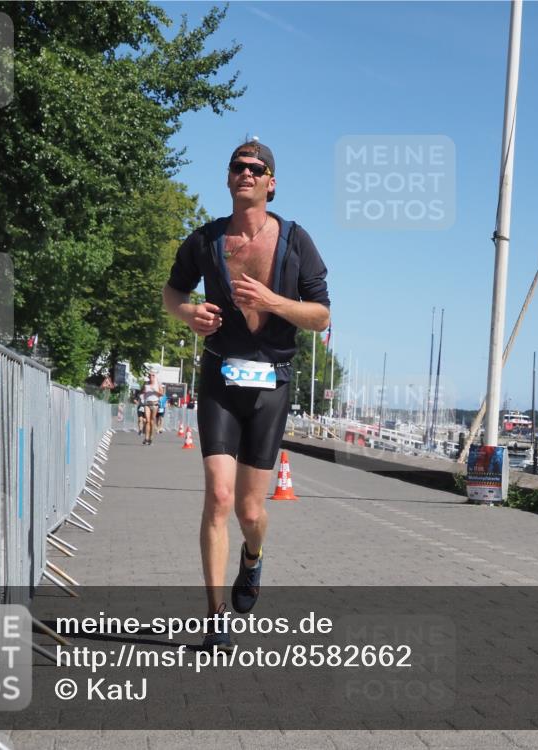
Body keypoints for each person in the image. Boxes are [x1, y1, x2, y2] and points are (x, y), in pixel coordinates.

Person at [163, 139, 331, 649]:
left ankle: (252, 558)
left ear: (271, 182)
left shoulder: (296, 240)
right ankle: (215, 617)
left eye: (257, 169)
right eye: (238, 166)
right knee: (218, 496)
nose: (246, 173)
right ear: (228, 177)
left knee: (250, 512)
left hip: (271, 384)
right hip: (219, 377)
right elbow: (173, 292)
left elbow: (321, 315)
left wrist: (274, 301)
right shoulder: (206, 239)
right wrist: (188, 313)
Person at [139, 372, 163, 445]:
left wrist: (155, 391)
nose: (151, 376)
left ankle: (151, 437)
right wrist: (143, 391)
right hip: (147, 404)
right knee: (147, 421)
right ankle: (146, 438)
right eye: (149, 375)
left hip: (155, 404)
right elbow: (141, 391)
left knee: (152, 421)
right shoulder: (146, 384)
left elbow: (162, 394)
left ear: (155, 376)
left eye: (153, 375)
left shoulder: (157, 383)